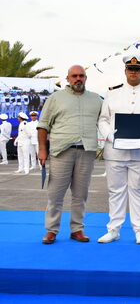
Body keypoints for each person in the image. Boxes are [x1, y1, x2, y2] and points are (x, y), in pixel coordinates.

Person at [96, 55, 140, 244]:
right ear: (125, 71)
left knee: (139, 190)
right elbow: (103, 119)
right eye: (130, 69)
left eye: (137, 69)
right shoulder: (112, 93)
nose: (134, 72)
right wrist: (110, 136)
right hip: (115, 150)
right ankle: (113, 230)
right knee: (115, 191)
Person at [37, 65, 103, 244]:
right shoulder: (55, 98)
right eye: (74, 76)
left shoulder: (96, 99)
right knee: (55, 194)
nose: (78, 79)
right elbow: (43, 125)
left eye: (81, 75)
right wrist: (42, 149)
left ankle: (77, 229)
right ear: (67, 78)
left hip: (86, 152)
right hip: (61, 151)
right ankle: (51, 230)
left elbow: (105, 122)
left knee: (80, 194)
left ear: (86, 78)